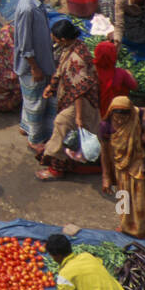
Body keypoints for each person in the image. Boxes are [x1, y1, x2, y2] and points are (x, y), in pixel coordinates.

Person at [37, 21, 100, 181]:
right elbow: (61, 69)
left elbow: (79, 90)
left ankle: (56, 169)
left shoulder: (77, 59)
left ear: (64, 39)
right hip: (71, 97)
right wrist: (51, 86)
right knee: (66, 131)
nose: (54, 40)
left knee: (61, 126)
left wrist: (78, 116)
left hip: (80, 103)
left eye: (56, 38)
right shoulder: (73, 47)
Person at [99, 97, 145, 238]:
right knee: (123, 198)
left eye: (124, 116)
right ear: (111, 113)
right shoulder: (105, 126)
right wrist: (106, 176)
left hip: (140, 165)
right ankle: (124, 224)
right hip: (121, 168)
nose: (121, 120)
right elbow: (104, 152)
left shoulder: (137, 115)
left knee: (143, 198)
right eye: (117, 116)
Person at [13, 0, 58, 152]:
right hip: (32, 64)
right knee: (36, 102)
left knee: (30, 98)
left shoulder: (35, 1)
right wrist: (35, 67)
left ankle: (25, 126)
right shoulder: (27, 9)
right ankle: (35, 138)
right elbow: (24, 45)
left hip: (40, 59)